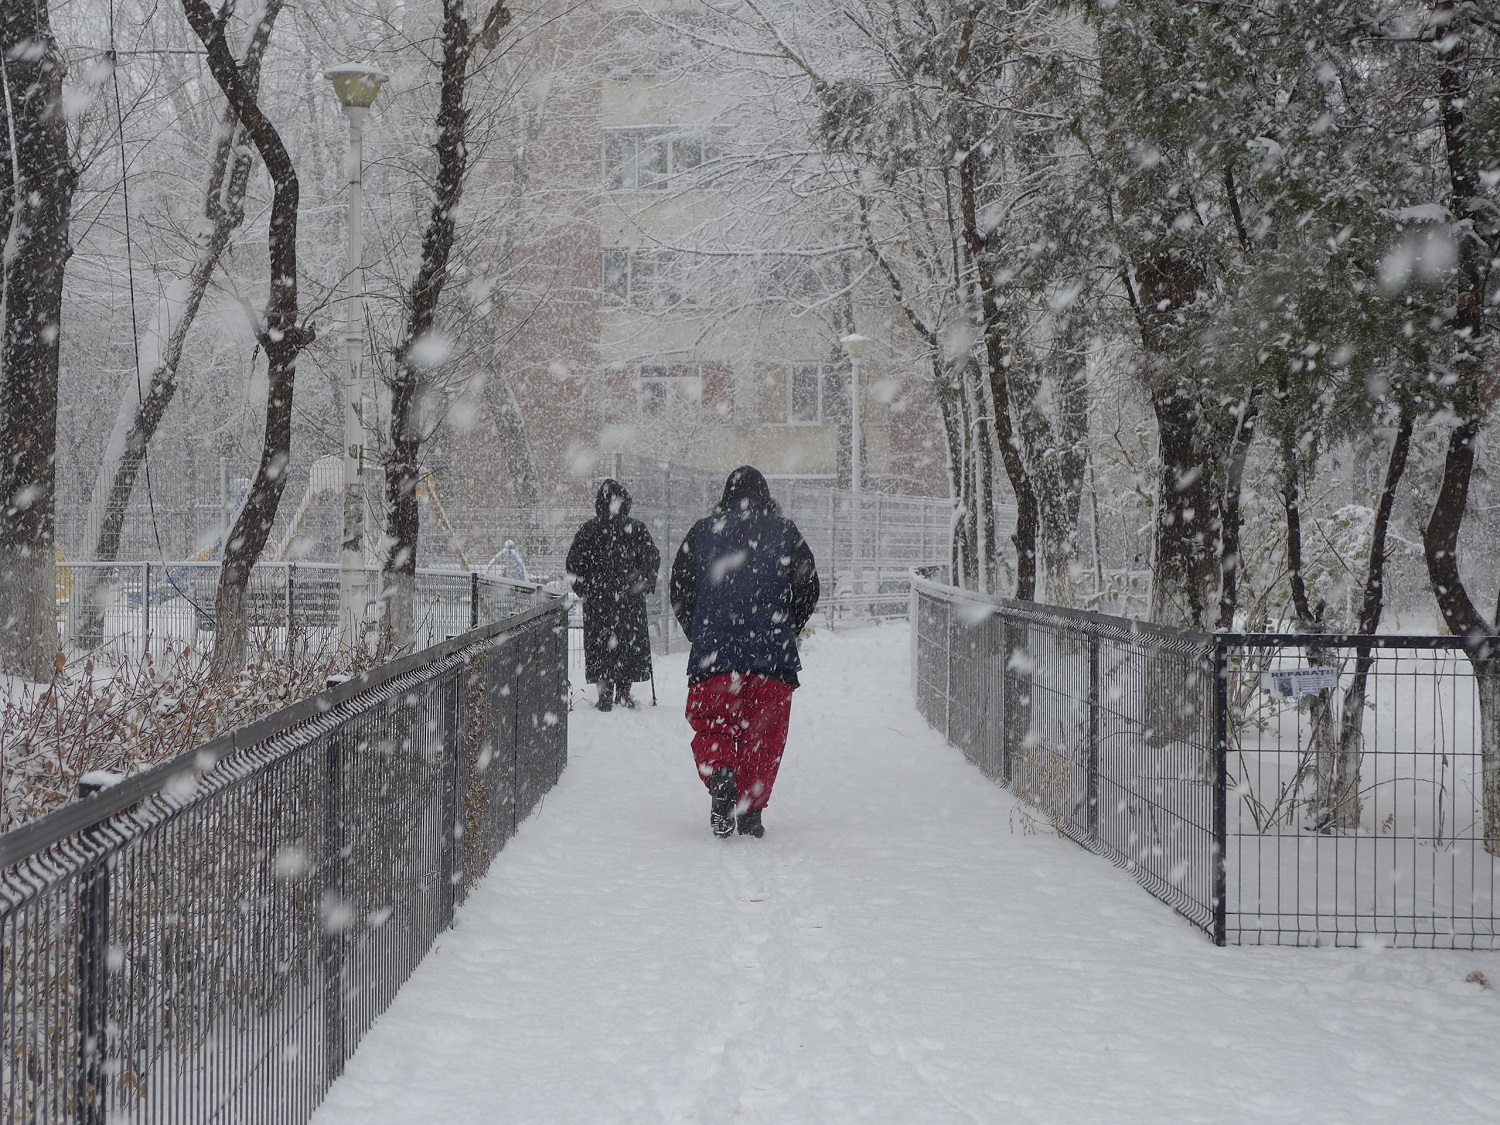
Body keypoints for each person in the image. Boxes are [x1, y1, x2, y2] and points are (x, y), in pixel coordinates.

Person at [670, 466, 820, 838]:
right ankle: (750, 810)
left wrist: (699, 631)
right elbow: (808, 587)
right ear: (767, 497)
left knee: (713, 723)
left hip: (714, 657)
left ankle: (721, 773)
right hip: (772, 657)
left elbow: (680, 587)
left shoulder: (703, 532)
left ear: (724, 498)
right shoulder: (785, 532)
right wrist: (786, 628)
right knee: (763, 736)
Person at [566, 479, 660, 711]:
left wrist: (586, 590)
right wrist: (642, 582)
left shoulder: (589, 530)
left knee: (601, 648)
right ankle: (624, 693)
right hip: (629, 601)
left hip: (599, 602)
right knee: (627, 645)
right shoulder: (636, 528)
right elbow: (651, 560)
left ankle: (605, 695)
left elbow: (573, 566)